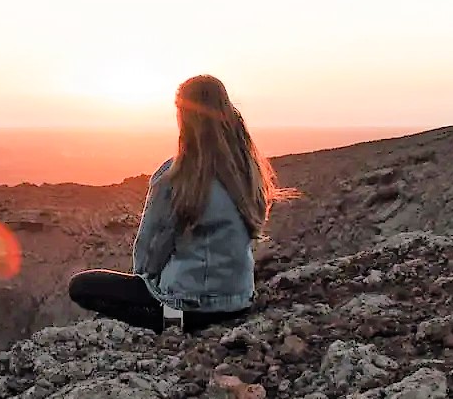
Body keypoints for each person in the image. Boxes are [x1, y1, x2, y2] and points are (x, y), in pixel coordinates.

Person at [68, 74, 295, 334]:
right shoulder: (248, 170)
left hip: (188, 307)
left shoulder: (176, 174)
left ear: (184, 116)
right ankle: (171, 319)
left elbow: (151, 249)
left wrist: (147, 281)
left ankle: (167, 324)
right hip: (238, 303)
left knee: (82, 286)